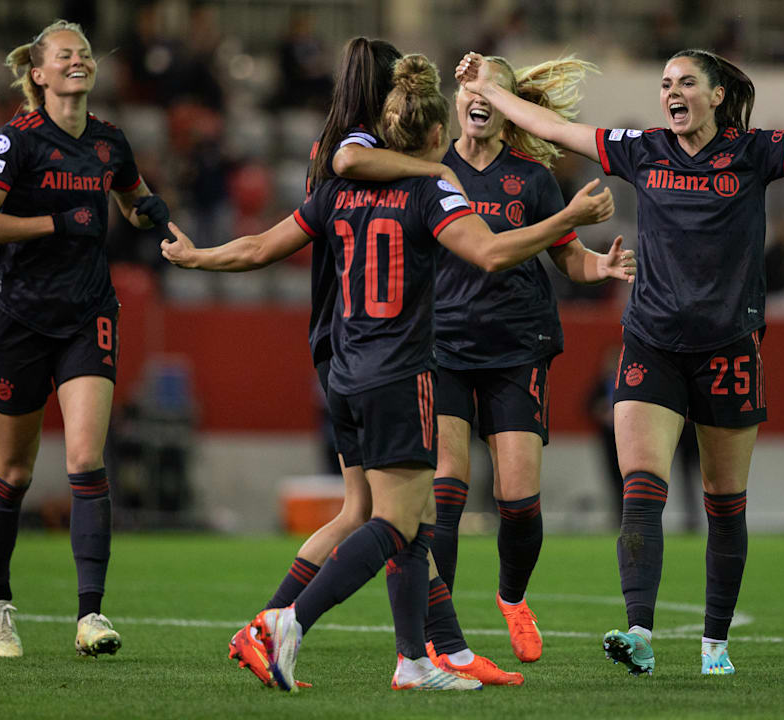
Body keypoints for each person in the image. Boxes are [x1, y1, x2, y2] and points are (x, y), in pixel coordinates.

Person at [456, 48, 784, 676]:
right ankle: (640, 632)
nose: (671, 93)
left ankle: (715, 647)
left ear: (717, 96)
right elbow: (553, 129)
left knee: (724, 503)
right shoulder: (642, 149)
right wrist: (490, 85)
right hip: (650, 344)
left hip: (729, 350)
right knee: (640, 493)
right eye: (665, 83)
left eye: (685, 83)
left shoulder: (753, 153)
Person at [161, 53, 614, 690]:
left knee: (407, 514)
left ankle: (421, 658)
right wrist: (566, 220)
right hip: (401, 371)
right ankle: (286, 623)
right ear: (435, 134)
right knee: (397, 522)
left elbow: (261, 247)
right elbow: (486, 252)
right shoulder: (433, 187)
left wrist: (196, 258)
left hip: (343, 370)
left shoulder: (338, 188)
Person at [225, 37, 520, 688]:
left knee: (385, 510)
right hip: (373, 344)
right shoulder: (360, 152)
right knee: (386, 513)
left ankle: (426, 655)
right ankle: (279, 625)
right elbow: (357, 168)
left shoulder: (339, 146)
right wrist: (436, 172)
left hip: (342, 342)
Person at [0, 19, 171, 658]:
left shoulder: (109, 142)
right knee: (15, 472)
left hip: (88, 315)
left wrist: (153, 215)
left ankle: (90, 616)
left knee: (85, 459)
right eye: (64, 56)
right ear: (39, 74)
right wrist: (55, 222)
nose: (77, 61)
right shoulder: (15, 141)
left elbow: (133, 198)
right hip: (19, 319)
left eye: (83, 53)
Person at [432, 54, 635, 666]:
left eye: (497, 92)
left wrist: (597, 265)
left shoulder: (533, 179)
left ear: (510, 109)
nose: (483, 99)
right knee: (445, 490)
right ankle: (437, 635)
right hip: (439, 346)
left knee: (518, 501)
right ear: (458, 96)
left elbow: (567, 256)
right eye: (474, 87)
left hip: (517, 346)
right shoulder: (425, 172)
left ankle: (513, 600)